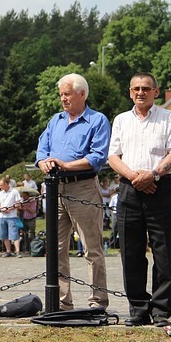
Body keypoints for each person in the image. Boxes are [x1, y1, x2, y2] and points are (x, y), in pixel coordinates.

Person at [108, 72, 171, 327]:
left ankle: (161, 310)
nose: (141, 92)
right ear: (129, 92)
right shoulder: (121, 120)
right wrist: (134, 176)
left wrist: (152, 175)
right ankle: (138, 308)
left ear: (155, 91)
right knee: (130, 252)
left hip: (159, 187)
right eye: (136, 89)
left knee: (162, 251)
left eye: (146, 88)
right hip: (129, 189)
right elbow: (113, 156)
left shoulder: (169, 118)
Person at [36, 73, 110, 310]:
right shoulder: (55, 121)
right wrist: (43, 163)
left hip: (83, 186)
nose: (63, 99)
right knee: (56, 249)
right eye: (61, 95)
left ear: (82, 94)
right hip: (55, 188)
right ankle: (60, 301)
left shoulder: (97, 120)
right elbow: (41, 150)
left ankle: (97, 301)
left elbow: (98, 157)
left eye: (67, 94)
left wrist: (67, 165)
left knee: (91, 248)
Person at [0, 177, 22, 257]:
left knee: (14, 234)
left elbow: (18, 203)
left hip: (12, 216)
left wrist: (10, 209)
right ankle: (8, 250)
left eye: (2, 185)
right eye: (0, 185)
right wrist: (0, 209)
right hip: (2, 216)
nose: (0, 187)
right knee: (4, 234)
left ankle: (17, 251)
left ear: (6, 184)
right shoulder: (0, 193)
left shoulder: (14, 192)